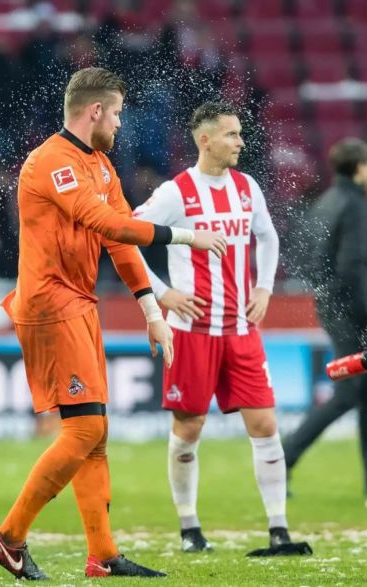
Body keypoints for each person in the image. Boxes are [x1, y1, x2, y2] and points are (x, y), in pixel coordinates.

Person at [0, 67, 227, 581]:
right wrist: (183, 237)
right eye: (115, 112)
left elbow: (119, 242)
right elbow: (106, 223)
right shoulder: (52, 162)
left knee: (94, 434)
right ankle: (8, 538)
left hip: (78, 303)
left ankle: (104, 556)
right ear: (94, 111)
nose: (119, 121)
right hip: (50, 305)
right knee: (85, 427)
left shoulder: (101, 166)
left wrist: (152, 311)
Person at [132, 101, 310, 557]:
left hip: (239, 329)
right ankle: (189, 526)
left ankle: (278, 530)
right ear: (205, 139)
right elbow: (122, 235)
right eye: (231, 134)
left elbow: (267, 236)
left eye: (241, 134)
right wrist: (160, 294)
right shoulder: (176, 192)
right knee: (189, 428)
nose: (241, 142)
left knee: (265, 424)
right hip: (190, 331)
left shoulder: (248, 188)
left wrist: (265, 288)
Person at [282, 137, 367, 510]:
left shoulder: (325, 202)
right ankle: (283, 458)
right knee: (349, 396)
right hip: (350, 310)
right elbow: (355, 264)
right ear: (360, 167)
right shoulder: (358, 206)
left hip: (330, 303)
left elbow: (314, 257)